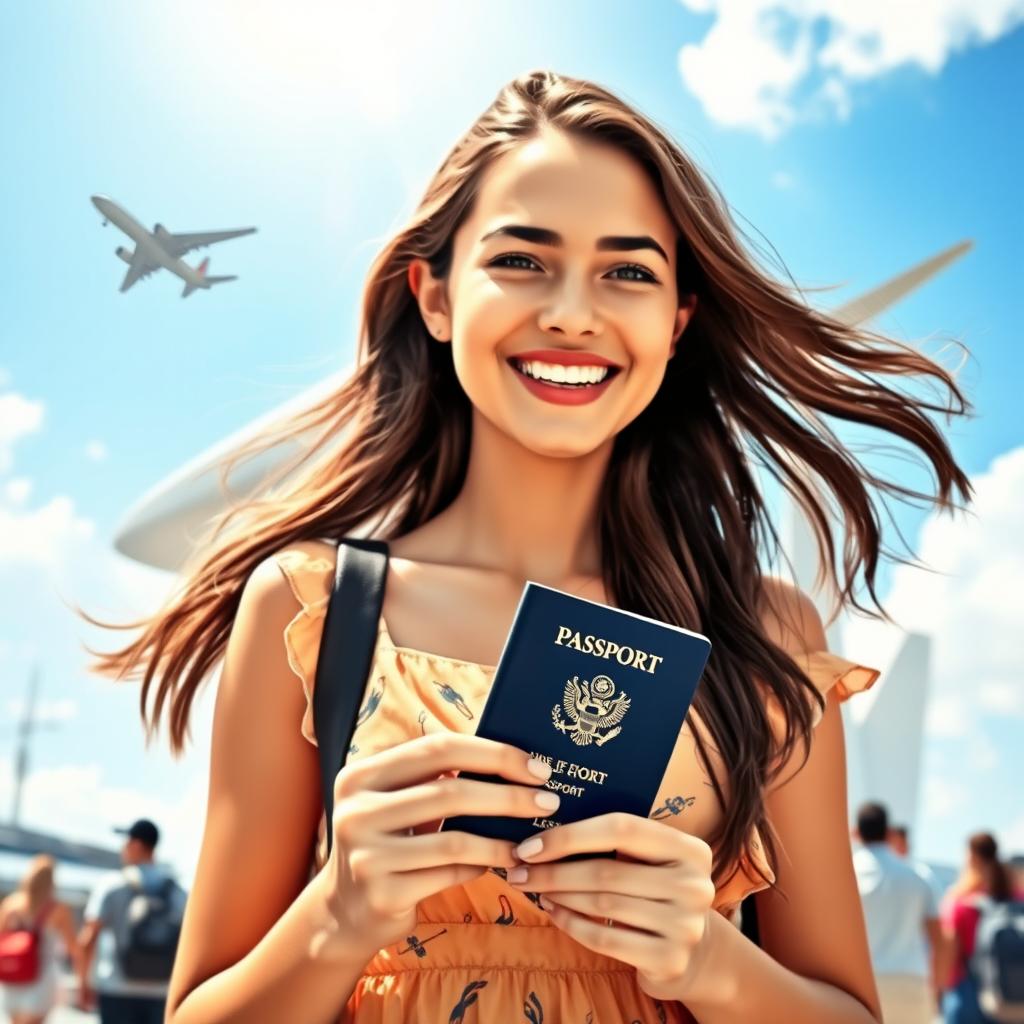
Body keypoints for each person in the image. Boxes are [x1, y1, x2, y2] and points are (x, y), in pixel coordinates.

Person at [83, 70, 972, 1022]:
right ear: (432, 295)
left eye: (627, 270)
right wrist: (335, 915)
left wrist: (709, 960)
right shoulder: (312, 609)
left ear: (676, 325)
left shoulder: (761, 632)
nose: (572, 313)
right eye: (522, 260)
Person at [77, 819, 188, 1024]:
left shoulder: (112, 886)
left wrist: (83, 983)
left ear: (135, 845)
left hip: (116, 988)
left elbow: (88, 939)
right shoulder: (178, 892)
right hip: (161, 991)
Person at [852, 802, 941, 1023]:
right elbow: (938, 939)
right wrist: (938, 988)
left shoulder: (846, 874)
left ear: (855, 832)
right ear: (889, 832)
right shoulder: (919, 876)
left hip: (860, 983)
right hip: (910, 980)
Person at [938, 831, 1024, 1023]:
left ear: (971, 857)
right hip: (1009, 997)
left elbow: (948, 952)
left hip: (967, 995)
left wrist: (937, 988)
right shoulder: (1018, 898)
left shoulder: (961, 900)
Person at [0, 854, 81, 1024]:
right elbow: (73, 947)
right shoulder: (58, 909)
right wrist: (83, 979)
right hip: (41, 977)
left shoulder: (11, 904)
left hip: (13, 976)